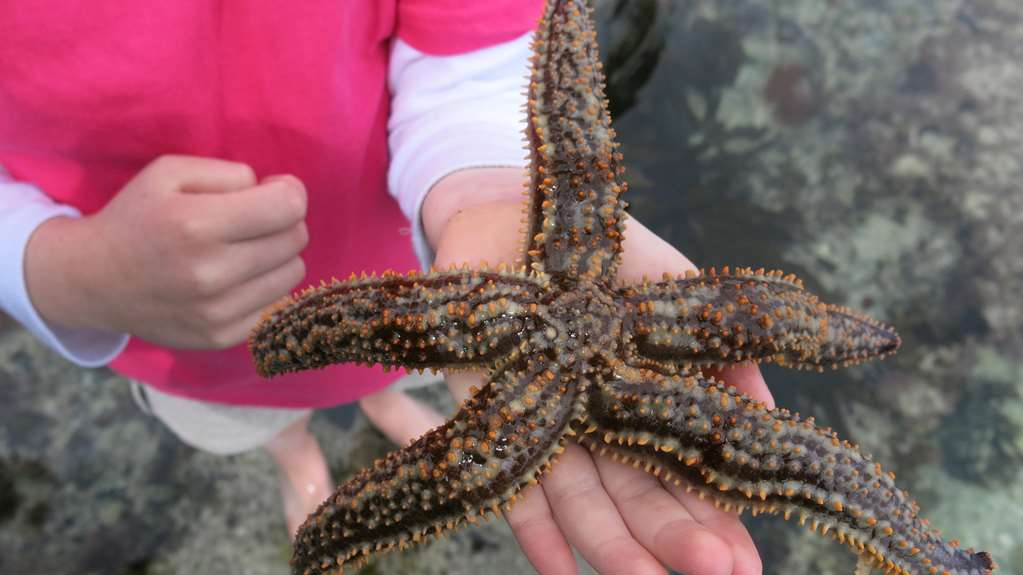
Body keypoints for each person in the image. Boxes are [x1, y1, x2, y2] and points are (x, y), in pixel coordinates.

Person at [0, 2, 769, 574]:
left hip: (422, 280)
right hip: (171, 330)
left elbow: (469, 64)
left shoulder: (470, 285)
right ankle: (291, 450)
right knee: (252, 410)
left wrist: (491, 199)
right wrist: (60, 271)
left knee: (392, 361)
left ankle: (374, 396)